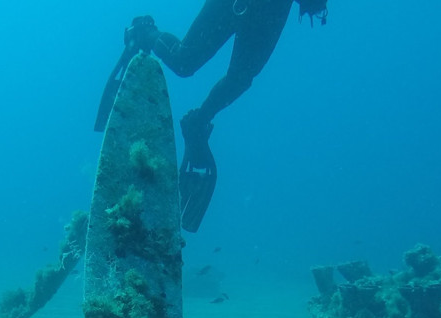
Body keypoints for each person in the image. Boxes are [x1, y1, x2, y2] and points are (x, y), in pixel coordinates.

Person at [118, 0, 329, 230]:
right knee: (184, 61)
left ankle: (199, 121)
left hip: (271, 10)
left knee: (241, 78)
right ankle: (144, 32)